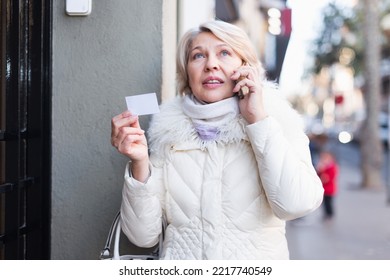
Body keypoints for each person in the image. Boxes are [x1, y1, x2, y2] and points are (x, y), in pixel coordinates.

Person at [111, 20, 324, 260]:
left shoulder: (278, 120)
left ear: (245, 66)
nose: (211, 64)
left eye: (224, 53)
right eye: (198, 56)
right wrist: (139, 163)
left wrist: (258, 121)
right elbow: (142, 236)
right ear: (187, 72)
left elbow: (297, 204)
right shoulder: (168, 134)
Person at [316, 150, 338, 221]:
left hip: (329, 189)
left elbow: (328, 178)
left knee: (329, 203)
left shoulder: (331, 167)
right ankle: (326, 214)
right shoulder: (323, 166)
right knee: (325, 203)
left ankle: (330, 214)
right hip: (324, 189)